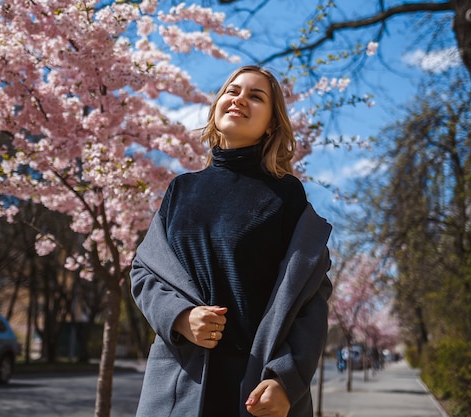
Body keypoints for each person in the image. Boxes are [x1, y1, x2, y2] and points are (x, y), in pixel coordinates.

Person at [130, 65, 332, 417]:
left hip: (255, 386)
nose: (240, 99)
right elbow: (144, 272)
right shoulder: (181, 189)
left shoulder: (286, 196)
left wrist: (287, 379)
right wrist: (180, 317)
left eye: (256, 96)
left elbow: (310, 296)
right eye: (232, 91)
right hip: (179, 384)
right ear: (218, 105)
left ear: (271, 123)